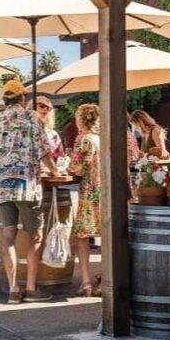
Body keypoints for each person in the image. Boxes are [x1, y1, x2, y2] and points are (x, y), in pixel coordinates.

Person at [0, 79, 58, 304]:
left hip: (2, 187)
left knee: (8, 238)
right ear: (22, 98)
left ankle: (14, 289)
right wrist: (52, 170)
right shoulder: (31, 118)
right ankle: (32, 289)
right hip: (27, 186)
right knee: (35, 236)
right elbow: (44, 150)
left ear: (4, 99)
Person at [67, 104, 103, 297]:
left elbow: (76, 168)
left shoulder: (83, 140)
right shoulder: (101, 139)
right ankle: (107, 280)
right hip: (105, 192)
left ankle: (86, 281)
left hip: (89, 193)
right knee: (107, 237)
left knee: (82, 237)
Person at [33, 95, 63, 160]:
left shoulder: (53, 134)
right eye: (42, 106)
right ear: (33, 108)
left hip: (50, 168)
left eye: (48, 108)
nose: (45, 109)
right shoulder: (26, 130)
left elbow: (60, 155)